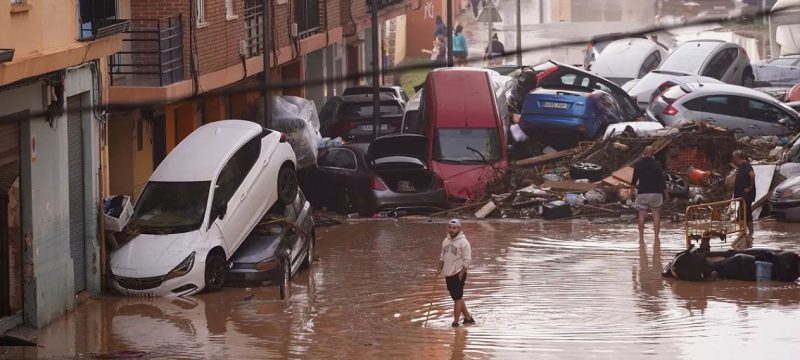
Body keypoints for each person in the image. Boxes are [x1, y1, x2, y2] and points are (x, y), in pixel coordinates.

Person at [436, 219, 474, 328]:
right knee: (457, 298)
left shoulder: (464, 242)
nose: (451, 230)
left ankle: (455, 323)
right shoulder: (445, 240)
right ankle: (468, 318)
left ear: (459, 229)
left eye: (454, 228)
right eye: (450, 227)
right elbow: (442, 257)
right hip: (448, 274)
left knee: (457, 299)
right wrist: (439, 269)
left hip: (458, 273)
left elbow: (468, 260)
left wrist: (461, 274)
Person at [631, 146, 668, 243]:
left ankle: (641, 238)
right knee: (656, 214)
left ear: (644, 152)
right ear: (653, 153)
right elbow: (661, 180)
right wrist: (666, 193)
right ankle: (656, 237)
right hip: (656, 193)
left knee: (642, 213)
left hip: (642, 192)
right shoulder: (657, 164)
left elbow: (634, 179)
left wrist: (631, 191)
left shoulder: (638, 164)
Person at [733, 150, 756, 235]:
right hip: (742, 196)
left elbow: (752, 175)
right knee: (741, 213)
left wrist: (750, 188)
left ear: (737, 157)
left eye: (733, 158)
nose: (733, 160)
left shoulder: (745, 165)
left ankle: (749, 233)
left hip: (746, 196)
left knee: (746, 213)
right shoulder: (741, 166)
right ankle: (744, 232)